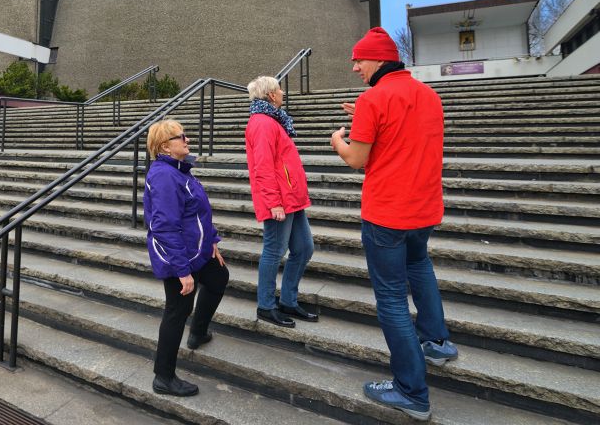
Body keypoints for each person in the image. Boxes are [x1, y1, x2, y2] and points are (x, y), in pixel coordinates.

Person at [329, 27, 457, 422]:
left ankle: (411, 391)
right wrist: (366, 115)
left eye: (359, 60)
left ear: (379, 60)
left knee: (390, 299)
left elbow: (357, 159)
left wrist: (338, 139)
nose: (355, 67)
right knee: (420, 267)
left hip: (387, 214)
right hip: (425, 209)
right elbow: (404, 134)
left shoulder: (374, 98)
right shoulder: (429, 95)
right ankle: (437, 342)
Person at [144, 119, 229, 397]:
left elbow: (199, 212)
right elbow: (165, 227)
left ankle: (199, 332)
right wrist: (181, 270)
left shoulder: (180, 171)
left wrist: (211, 240)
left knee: (218, 277)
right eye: (181, 137)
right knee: (177, 310)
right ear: (165, 146)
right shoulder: (164, 176)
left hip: (197, 251)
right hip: (178, 256)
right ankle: (163, 376)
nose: (187, 140)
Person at [245, 76, 316, 329]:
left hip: (292, 199)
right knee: (274, 252)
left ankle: (288, 300)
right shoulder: (263, 123)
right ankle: (266, 305)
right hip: (280, 202)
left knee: (304, 248)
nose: (283, 92)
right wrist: (273, 202)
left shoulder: (273, 120)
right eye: (279, 89)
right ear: (271, 95)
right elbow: (262, 167)